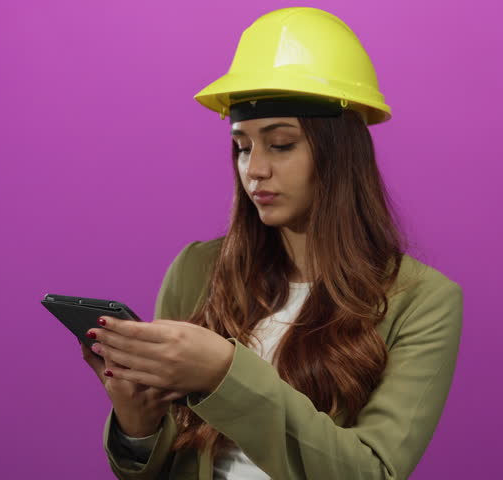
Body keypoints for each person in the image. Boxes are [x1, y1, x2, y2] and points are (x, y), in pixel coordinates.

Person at [80, 7, 464, 480]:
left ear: (340, 155)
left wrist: (224, 373)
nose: (254, 169)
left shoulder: (422, 302)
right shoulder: (196, 270)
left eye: (280, 144)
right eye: (242, 146)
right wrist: (136, 423)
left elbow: (371, 472)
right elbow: (163, 466)